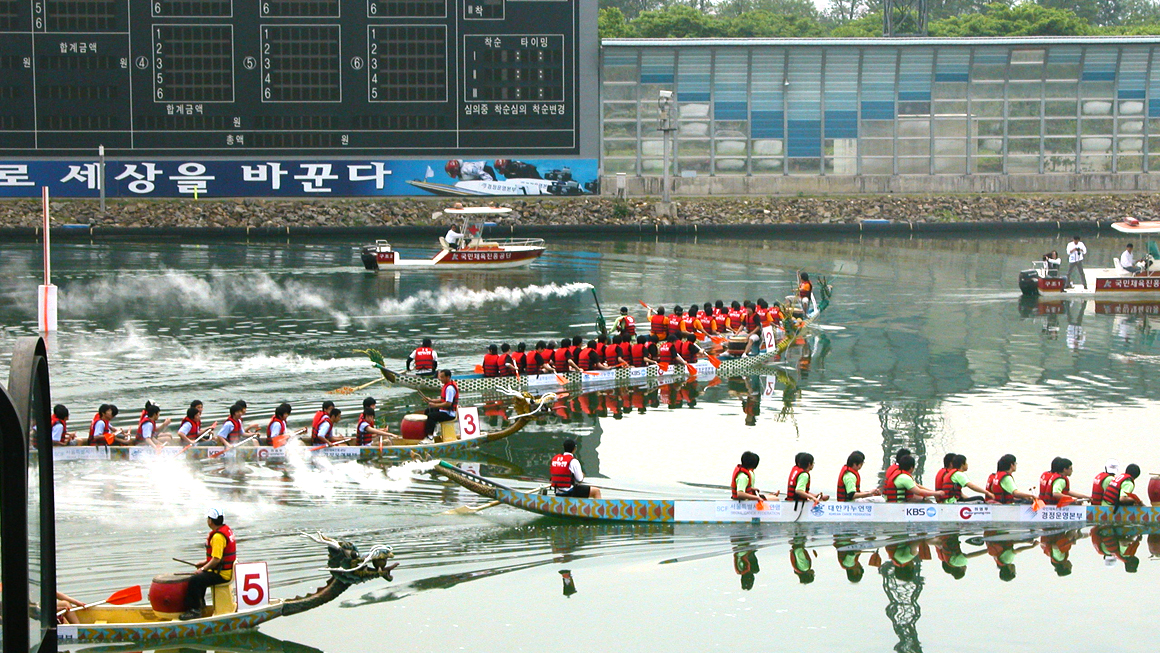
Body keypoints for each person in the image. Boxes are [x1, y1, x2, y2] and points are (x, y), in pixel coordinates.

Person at [181, 507, 236, 620]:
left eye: (208, 518)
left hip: (222, 574)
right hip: (224, 570)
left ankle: (194, 610)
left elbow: (216, 559)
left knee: (195, 580)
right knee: (201, 578)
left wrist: (203, 569)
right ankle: (200, 605)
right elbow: (220, 556)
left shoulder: (218, 537)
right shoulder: (225, 530)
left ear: (210, 521)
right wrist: (204, 563)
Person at [424, 369, 459, 438]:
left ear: (448, 377)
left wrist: (435, 405)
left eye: (442, 377)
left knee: (431, 416)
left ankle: (430, 437)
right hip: (444, 411)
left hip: (449, 414)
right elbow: (443, 400)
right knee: (428, 411)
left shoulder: (450, 388)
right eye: (440, 377)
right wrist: (431, 400)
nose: (440, 379)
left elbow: (448, 403)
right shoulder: (446, 386)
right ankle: (432, 431)